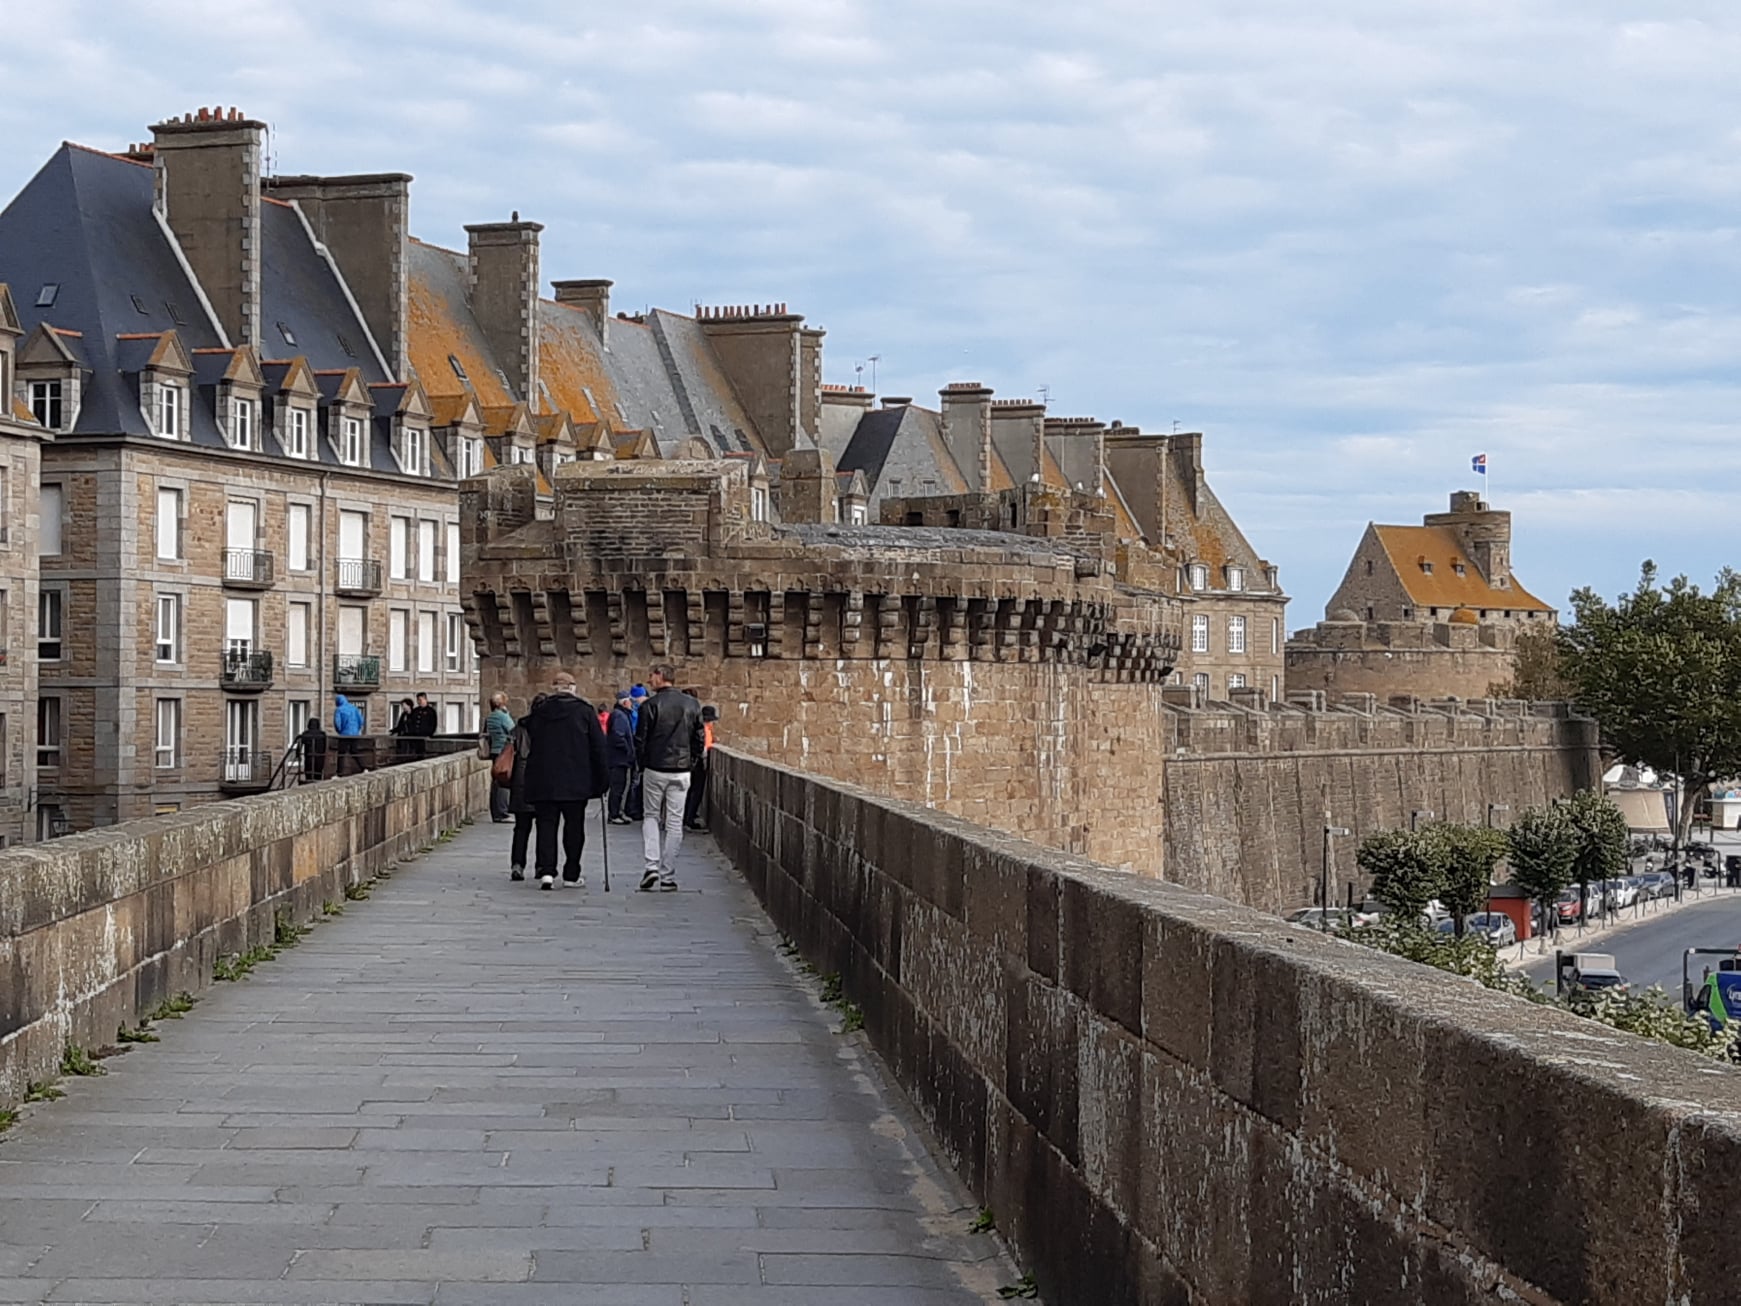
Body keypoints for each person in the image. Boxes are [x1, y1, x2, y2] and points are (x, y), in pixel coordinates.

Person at [523, 671, 608, 890]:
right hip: (575, 780)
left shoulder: (540, 712)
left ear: (554, 688)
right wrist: (603, 781)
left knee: (546, 826)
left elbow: (530, 737)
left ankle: (547, 872)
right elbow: (598, 748)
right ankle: (571, 874)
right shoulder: (584, 712)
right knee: (574, 827)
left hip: (544, 779)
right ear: (572, 688)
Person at [635, 664, 704, 892]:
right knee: (675, 823)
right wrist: (691, 763)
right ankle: (667, 875)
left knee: (651, 816)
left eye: (652, 675)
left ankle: (651, 865)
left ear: (661, 676)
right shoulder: (692, 704)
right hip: (682, 770)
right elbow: (699, 738)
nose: (649, 679)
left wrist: (641, 764)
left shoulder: (650, 706)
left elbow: (640, 740)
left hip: (655, 768)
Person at [504, 694, 545, 880]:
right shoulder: (549, 729)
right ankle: (542, 866)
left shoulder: (518, 728)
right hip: (544, 780)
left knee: (521, 827)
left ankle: (517, 864)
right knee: (545, 827)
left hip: (521, 779)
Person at [605, 690, 638, 825]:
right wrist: (628, 751)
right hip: (619, 759)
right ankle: (614, 814)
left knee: (621, 786)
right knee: (617, 787)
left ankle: (618, 811)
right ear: (625, 702)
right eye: (630, 701)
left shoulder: (621, 715)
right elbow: (618, 736)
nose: (632, 704)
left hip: (620, 758)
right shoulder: (619, 716)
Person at [684, 704, 718, 831]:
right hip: (697, 764)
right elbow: (702, 748)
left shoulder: (696, 727)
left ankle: (687, 817)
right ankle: (689, 819)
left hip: (691, 763)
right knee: (695, 792)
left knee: (690, 791)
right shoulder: (703, 730)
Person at [484, 692, 515, 822]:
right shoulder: (502, 716)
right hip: (504, 751)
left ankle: (495, 811)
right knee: (504, 781)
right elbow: (513, 729)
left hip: (494, 750)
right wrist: (506, 713)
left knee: (496, 782)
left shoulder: (490, 716)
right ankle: (503, 812)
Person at [332, 694, 364, 775]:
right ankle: (364, 767)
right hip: (354, 734)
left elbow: (337, 723)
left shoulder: (339, 710)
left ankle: (339, 772)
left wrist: (340, 731)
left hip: (344, 735)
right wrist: (357, 729)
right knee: (354, 751)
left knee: (341, 753)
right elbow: (361, 720)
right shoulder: (354, 708)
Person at [407, 692, 439, 757]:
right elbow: (411, 722)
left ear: (425, 699)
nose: (418, 702)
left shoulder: (431, 711)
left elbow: (433, 724)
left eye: (420, 700)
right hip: (415, 738)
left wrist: (429, 734)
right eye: (418, 700)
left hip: (425, 737)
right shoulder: (415, 711)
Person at [297, 716, 328, 783]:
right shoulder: (322, 735)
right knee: (318, 777)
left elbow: (299, 744)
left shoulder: (306, 734)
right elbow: (326, 746)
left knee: (308, 777)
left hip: (309, 759)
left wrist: (298, 755)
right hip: (320, 759)